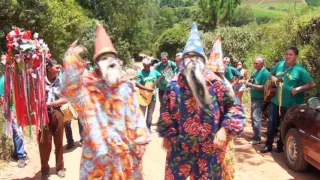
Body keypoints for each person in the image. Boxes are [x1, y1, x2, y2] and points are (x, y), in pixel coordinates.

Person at [61, 24, 150, 179]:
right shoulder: (88, 87)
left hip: (126, 156)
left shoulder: (126, 86)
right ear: (97, 63)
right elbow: (70, 88)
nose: (108, 61)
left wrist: (141, 139)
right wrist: (71, 59)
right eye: (103, 58)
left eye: (111, 58)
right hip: (98, 158)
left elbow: (136, 115)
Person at [158, 23, 245, 180]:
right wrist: (167, 135)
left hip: (209, 148)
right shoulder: (173, 85)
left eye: (196, 57)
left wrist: (224, 129)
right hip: (180, 148)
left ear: (203, 60)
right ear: (183, 61)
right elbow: (165, 113)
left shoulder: (216, 83)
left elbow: (235, 107)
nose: (192, 61)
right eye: (188, 57)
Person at [260, 47, 316, 153]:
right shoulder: (279, 65)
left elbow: (312, 84)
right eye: (287, 54)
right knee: (271, 123)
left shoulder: (300, 70)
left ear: (296, 57)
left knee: (284, 125)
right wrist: (274, 79)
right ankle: (268, 145)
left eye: (291, 55)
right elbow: (270, 74)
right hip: (275, 101)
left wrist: (298, 89)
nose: (288, 56)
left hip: (291, 104)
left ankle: (281, 145)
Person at [40, 59, 67, 179]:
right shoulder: (39, 82)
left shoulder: (61, 81)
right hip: (43, 115)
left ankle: (60, 167)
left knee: (59, 141)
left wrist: (53, 103)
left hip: (57, 113)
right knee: (44, 143)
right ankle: (44, 169)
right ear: (49, 68)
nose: (59, 70)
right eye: (57, 68)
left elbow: (66, 98)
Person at [0, 75, 28, 168]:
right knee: (17, 132)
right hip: (11, 110)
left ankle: (18, 153)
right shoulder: (4, 80)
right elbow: (2, 98)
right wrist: (10, 112)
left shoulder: (19, 76)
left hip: (20, 109)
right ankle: (21, 156)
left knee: (19, 132)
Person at [246, 56, 270, 145]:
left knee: (256, 117)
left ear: (262, 64)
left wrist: (251, 86)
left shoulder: (265, 73)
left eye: (257, 63)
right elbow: (252, 81)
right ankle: (255, 134)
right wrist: (248, 85)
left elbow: (264, 87)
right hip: (254, 97)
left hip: (260, 99)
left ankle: (257, 138)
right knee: (253, 117)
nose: (255, 65)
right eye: (254, 63)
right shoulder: (256, 72)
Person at [135, 57, 161, 131]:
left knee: (150, 114)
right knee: (142, 114)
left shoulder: (154, 72)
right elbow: (137, 84)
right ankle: (141, 130)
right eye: (145, 66)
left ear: (150, 65)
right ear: (143, 65)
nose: (146, 68)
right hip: (143, 97)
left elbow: (161, 77)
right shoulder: (140, 73)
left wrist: (163, 76)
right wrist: (146, 89)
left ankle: (148, 128)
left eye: (148, 66)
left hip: (153, 97)